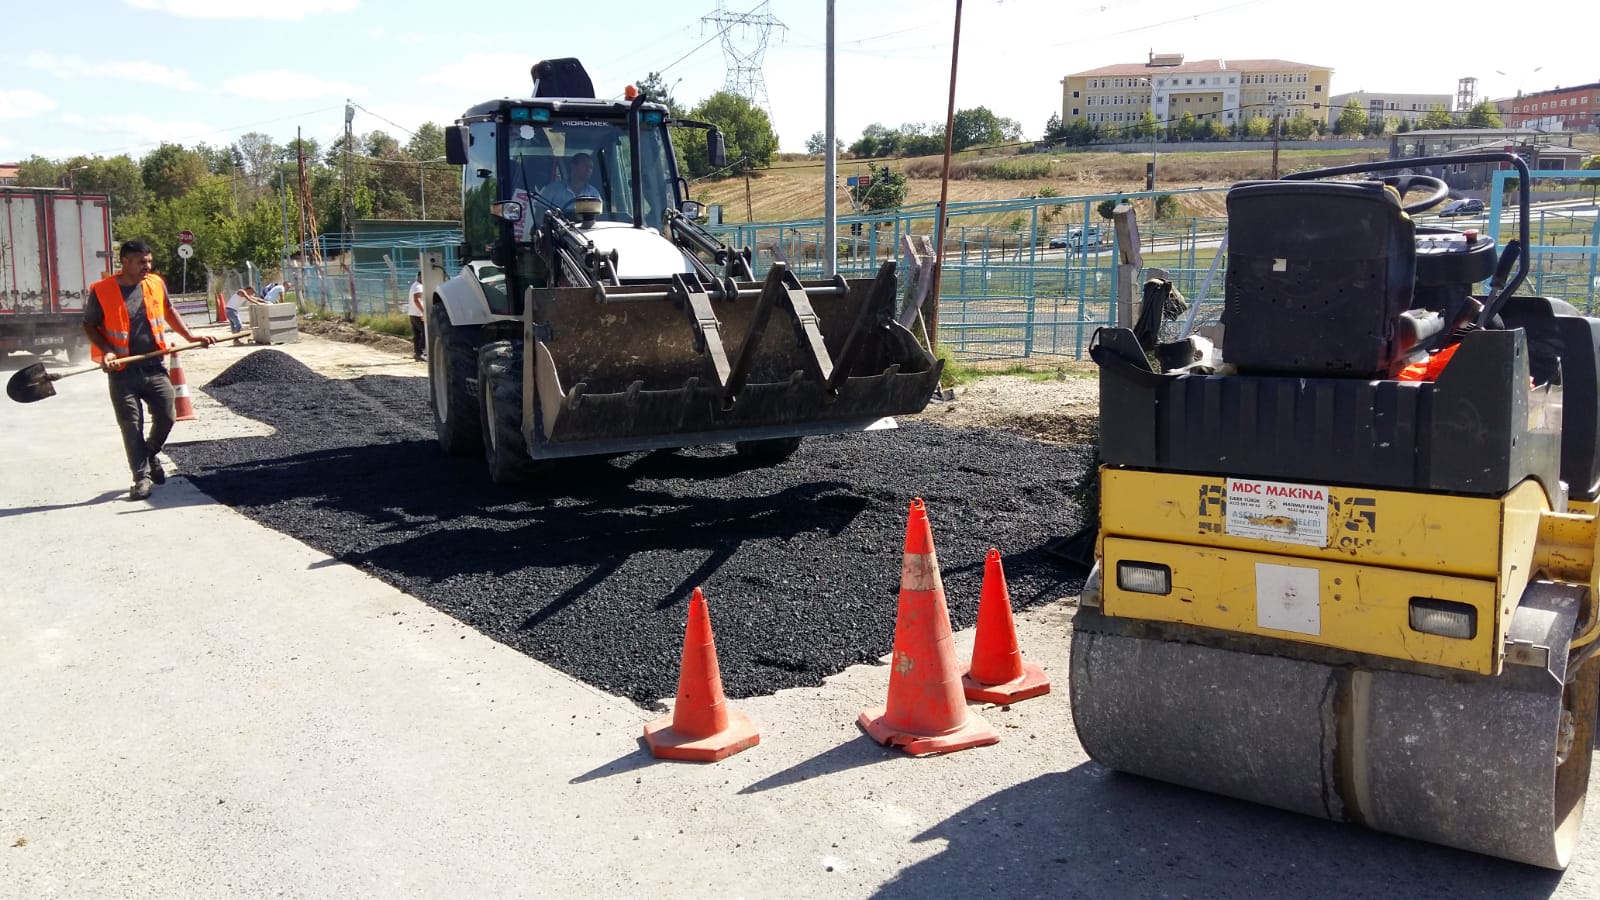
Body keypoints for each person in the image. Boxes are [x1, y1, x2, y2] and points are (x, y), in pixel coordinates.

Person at [81, 240, 216, 500]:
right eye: (142, 261)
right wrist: (107, 351)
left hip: (154, 365)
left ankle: (150, 452)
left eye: (149, 261)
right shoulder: (103, 290)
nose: (148, 266)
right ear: (126, 262)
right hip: (122, 371)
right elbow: (89, 324)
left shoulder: (155, 283)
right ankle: (140, 478)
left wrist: (191, 337)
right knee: (131, 426)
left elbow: (168, 310)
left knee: (168, 416)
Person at [408, 273, 425, 361]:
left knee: (417, 334)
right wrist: (424, 312)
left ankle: (418, 353)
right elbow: (416, 299)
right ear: (419, 277)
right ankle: (421, 352)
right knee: (425, 332)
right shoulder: (418, 286)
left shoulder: (415, 285)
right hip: (418, 314)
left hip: (413, 313)